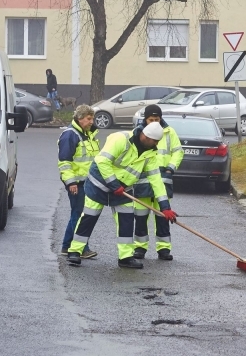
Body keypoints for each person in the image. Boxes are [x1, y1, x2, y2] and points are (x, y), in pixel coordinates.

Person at [67, 122, 178, 269]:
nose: (156, 144)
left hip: (123, 189)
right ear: (145, 136)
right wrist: (114, 184)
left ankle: (125, 257)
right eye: (155, 141)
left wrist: (165, 207)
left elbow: (156, 180)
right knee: (89, 217)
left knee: (126, 221)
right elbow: (102, 161)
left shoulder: (150, 153)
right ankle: (75, 251)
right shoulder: (121, 139)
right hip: (99, 184)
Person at [133, 104, 184, 261]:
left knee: (162, 215)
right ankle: (140, 248)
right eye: (151, 119)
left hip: (163, 178)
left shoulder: (169, 132)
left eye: (157, 119)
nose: (154, 122)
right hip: (143, 179)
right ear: (145, 119)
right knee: (140, 216)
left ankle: (164, 249)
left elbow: (178, 151)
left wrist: (170, 168)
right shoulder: (138, 133)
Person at [57, 104, 100, 259]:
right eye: (89, 118)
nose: (91, 121)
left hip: (86, 182)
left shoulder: (87, 134)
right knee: (80, 215)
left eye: (92, 118)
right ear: (80, 118)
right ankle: (81, 248)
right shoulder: (70, 135)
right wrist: (71, 183)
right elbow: (64, 162)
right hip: (77, 183)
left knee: (78, 213)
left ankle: (67, 246)